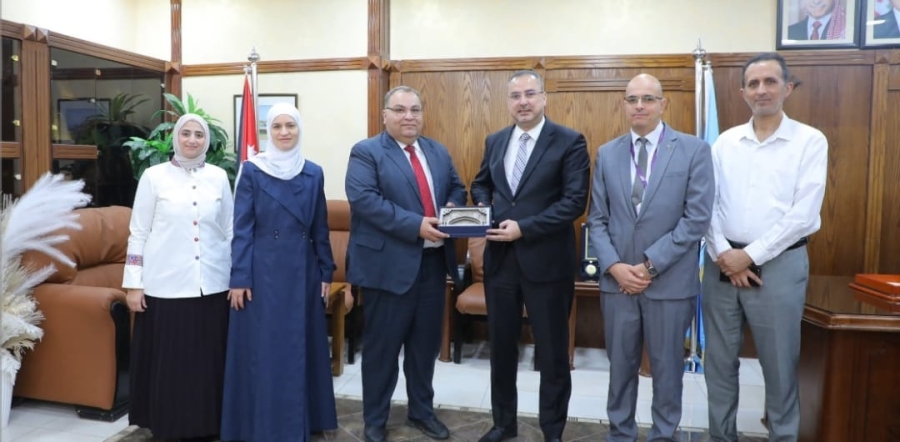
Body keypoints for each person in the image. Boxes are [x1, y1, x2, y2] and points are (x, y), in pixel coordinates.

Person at [703, 52, 828, 441]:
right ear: (742, 92)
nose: (761, 90)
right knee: (718, 366)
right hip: (721, 265)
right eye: (753, 83)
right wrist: (725, 254)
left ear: (787, 88)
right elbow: (706, 204)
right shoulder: (725, 142)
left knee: (779, 366)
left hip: (778, 268)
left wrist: (749, 256)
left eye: (770, 82)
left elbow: (803, 215)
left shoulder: (809, 141)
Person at [587, 74, 714, 441]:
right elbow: (597, 219)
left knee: (667, 369)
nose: (639, 105)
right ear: (624, 105)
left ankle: (663, 434)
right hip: (618, 284)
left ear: (663, 104)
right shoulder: (608, 153)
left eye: (647, 98)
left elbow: (696, 219)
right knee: (620, 368)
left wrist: (649, 265)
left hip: (669, 283)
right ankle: (620, 433)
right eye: (632, 99)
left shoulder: (693, 150)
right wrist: (615, 267)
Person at [470, 70, 590, 442]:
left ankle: (552, 430)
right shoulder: (495, 140)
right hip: (501, 263)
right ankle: (503, 424)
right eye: (515, 96)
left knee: (552, 354)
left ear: (544, 98)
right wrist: (484, 207)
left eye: (530, 94)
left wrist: (524, 227)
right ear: (508, 102)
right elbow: (481, 183)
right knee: (502, 350)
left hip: (548, 263)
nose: (523, 101)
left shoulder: (569, 141)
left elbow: (574, 202)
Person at [345, 85, 467, 442]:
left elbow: (457, 187)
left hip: (433, 265)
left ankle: (421, 412)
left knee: (424, 349)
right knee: (382, 350)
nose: (408, 116)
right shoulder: (366, 152)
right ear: (385, 115)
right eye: (399, 110)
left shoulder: (437, 151)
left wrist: (451, 210)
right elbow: (365, 200)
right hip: (387, 268)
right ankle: (375, 420)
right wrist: (416, 225)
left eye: (415, 109)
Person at [220, 103, 338, 441]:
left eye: (290, 125)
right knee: (267, 349)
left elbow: (320, 227)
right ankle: (262, 424)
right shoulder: (252, 170)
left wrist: (326, 272)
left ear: (299, 129)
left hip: (303, 272)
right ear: (267, 132)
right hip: (262, 275)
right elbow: (242, 229)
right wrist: (239, 278)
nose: (284, 132)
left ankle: (302, 421)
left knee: (299, 346)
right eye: (277, 126)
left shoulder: (313, 172)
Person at [123, 113, 233, 442]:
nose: (192, 140)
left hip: (213, 285)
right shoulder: (153, 177)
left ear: (207, 140)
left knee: (207, 362)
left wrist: (237, 276)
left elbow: (229, 230)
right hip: (166, 287)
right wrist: (134, 283)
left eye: (199, 134)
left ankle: (210, 423)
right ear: (175, 138)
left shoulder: (219, 177)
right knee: (173, 363)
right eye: (186, 133)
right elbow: (138, 233)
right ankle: (170, 424)